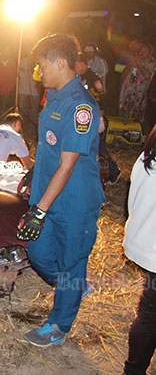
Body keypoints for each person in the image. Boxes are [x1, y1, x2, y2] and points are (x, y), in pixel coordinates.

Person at [18, 33, 105, 348]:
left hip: (73, 203)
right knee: (39, 253)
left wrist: (39, 210)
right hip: (47, 194)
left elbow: (67, 165)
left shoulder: (80, 106)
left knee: (70, 264)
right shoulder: (54, 98)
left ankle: (58, 325)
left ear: (59, 63)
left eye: (42, 66)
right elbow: (49, 151)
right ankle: (73, 287)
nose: (38, 73)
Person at [123, 124, 156, 374]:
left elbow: (132, 199)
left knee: (149, 312)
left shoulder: (147, 155)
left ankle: (133, 370)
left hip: (147, 244)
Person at [75, 54, 121, 185]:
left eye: (76, 65)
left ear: (83, 64)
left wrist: (101, 119)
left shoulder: (93, 79)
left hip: (94, 117)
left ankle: (113, 172)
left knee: (99, 147)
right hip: (83, 117)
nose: (74, 67)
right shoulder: (77, 78)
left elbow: (101, 99)